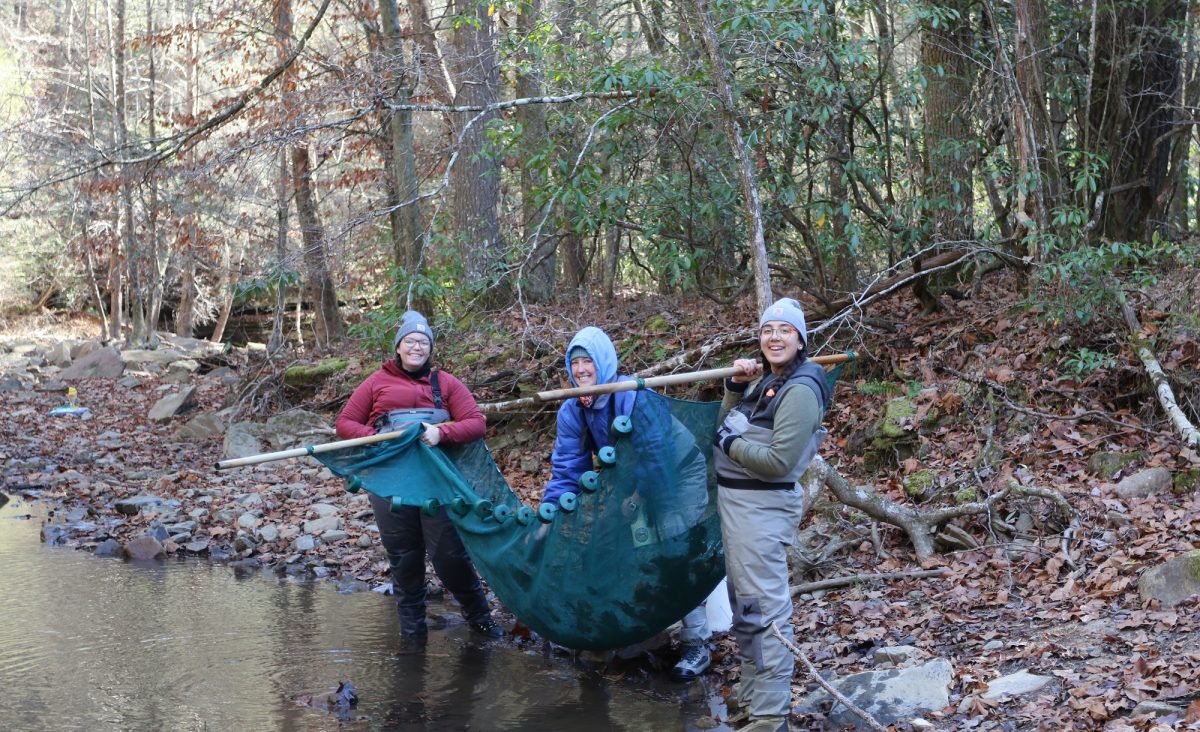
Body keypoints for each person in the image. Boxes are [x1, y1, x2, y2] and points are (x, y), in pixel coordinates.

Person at [541, 325, 713, 680]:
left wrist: (638, 503)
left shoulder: (635, 396)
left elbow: (657, 459)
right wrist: (550, 516)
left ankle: (697, 643)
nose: (581, 370)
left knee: (675, 543)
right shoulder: (574, 409)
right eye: (575, 364)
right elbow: (567, 469)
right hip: (629, 482)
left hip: (678, 473)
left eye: (588, 362)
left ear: (603, 362)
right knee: (605, 544)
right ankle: (617, 630)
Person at [336, 310, 504, 642]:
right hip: (390, 483)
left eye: (423, 342)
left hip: (436, 483)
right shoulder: (376, 382)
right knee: (404, 557)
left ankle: (481, 622)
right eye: (410, 341)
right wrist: (378, 438)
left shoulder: (446, 383)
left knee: (449, 556)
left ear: (430, 348)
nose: (417, 347)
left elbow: (476, 424)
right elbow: (345, 424)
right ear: (398, 347)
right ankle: (412, 634)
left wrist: (442, 433)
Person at [712, 298, 832, 732]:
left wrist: (730, 444)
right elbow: (724, 426)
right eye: (767, 330)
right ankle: (751, 695)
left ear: (800, 339)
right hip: (740, 508)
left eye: (784, 330)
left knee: (765, 608)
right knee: (746, 605)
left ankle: (770, 715)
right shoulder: (770, 381)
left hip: (762, 510)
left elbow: (779, 462)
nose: (774, 337)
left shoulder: (800, 389)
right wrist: (732, 387)